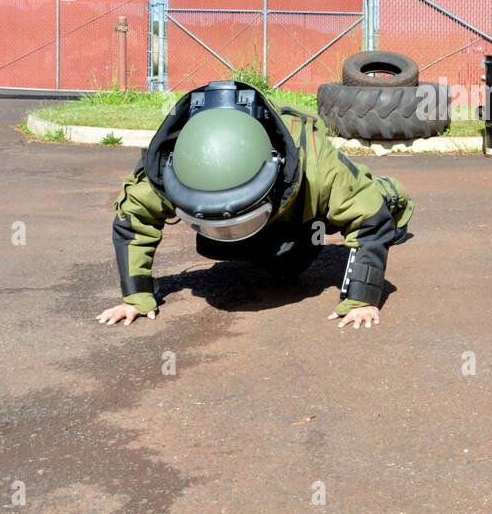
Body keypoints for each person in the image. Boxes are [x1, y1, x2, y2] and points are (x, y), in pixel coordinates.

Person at [98, 79, 414, 331]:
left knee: (357, 212)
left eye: (239, 218)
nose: (227, 227)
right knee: (259, 257)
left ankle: (394, 193)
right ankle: (264, 239)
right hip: (275, 211)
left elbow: (368, 216)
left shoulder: (318, 167)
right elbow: (133, 218)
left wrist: (361, 298)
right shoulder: (171, 168)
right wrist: (136, 296)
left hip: (302, 209)